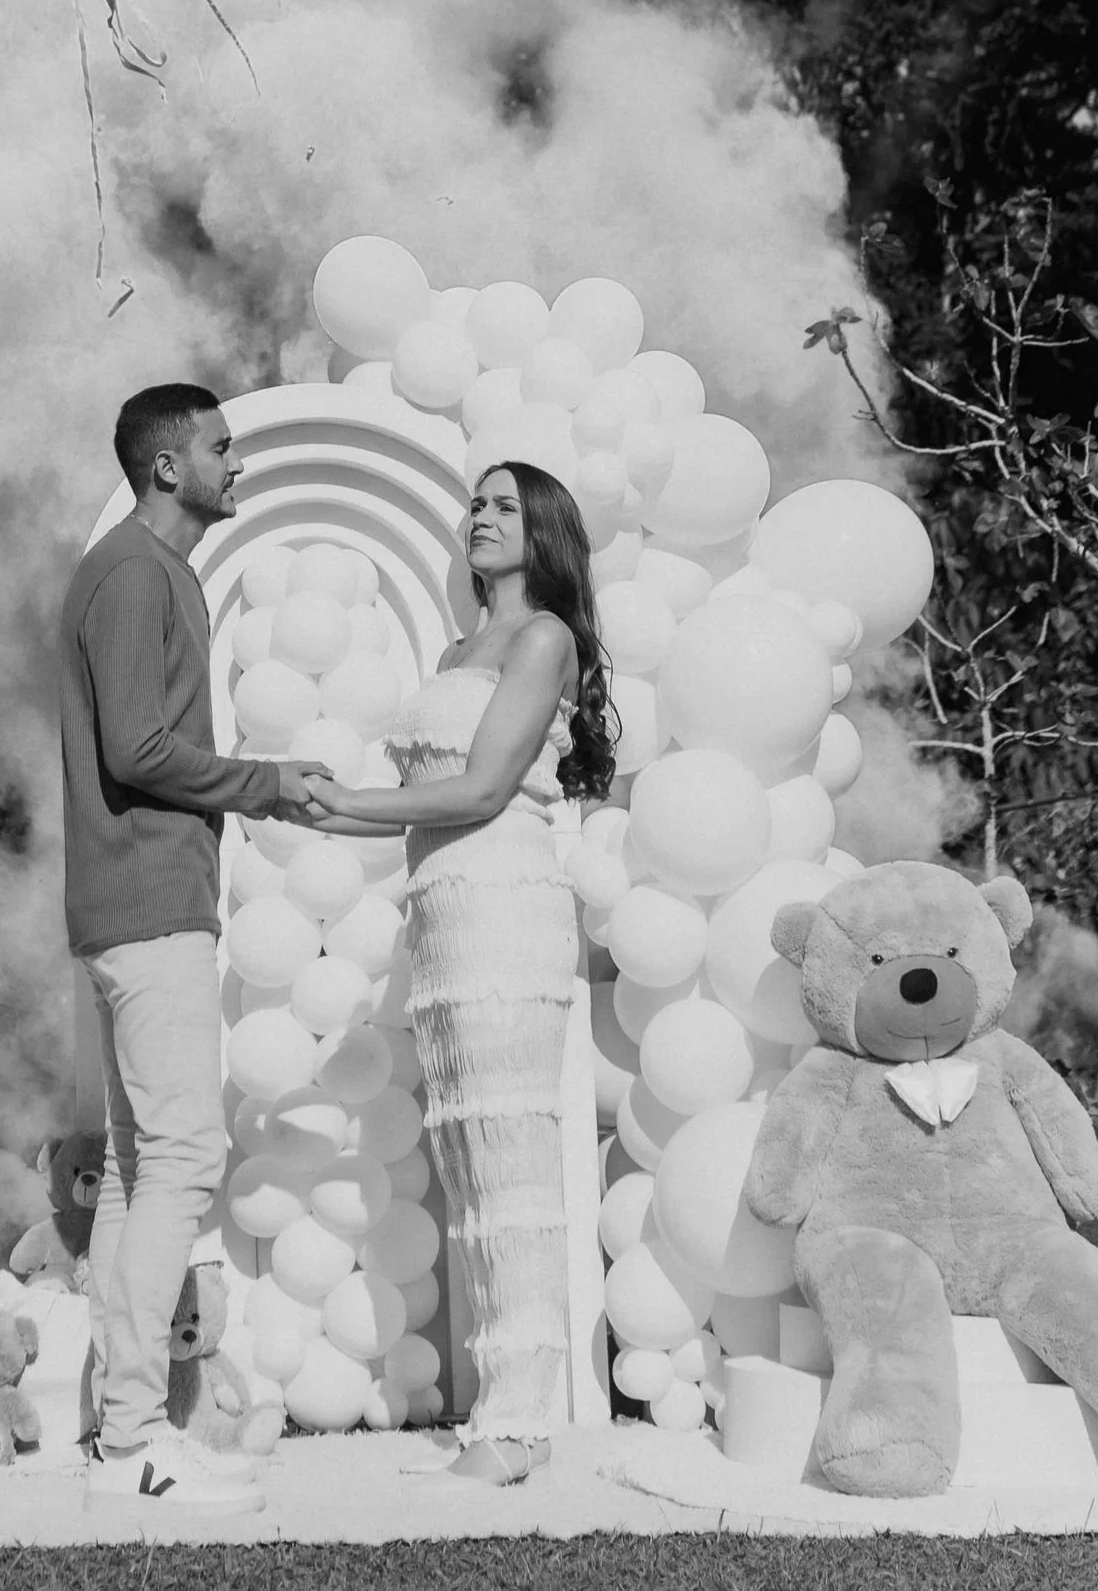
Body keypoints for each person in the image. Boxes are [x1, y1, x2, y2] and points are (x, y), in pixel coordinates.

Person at [302, 460, 618, 1487]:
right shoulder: (458, 645)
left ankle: (520, 1423)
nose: (479, 518)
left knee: (512, 1163)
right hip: (441, 919)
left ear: (545, 532)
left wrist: (336, 806)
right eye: (474, 503)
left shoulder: (544, 638)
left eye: (503, 507)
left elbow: (481, 788)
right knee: (470, 1170)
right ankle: (498, 1410)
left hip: (504, 910)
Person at [61, 382, 328, 1516]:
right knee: (180, 1159)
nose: (238, 465)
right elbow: (137, 745)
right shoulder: (133, 572)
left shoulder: (150, 573)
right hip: (146, 904)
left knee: (139, 1167)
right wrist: (265, 783)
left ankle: (124, 1436)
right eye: (222, 449)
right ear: (168, 467)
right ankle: (133, 1445)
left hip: (138, 903)